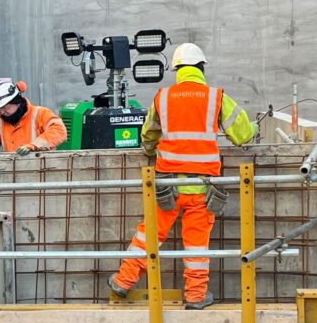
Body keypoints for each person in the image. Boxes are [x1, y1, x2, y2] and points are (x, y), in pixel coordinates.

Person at [108, 43, 256, 309]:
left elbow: (148, 135)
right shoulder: (216, 97)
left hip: (168, 186)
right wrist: (253, 128)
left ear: (176, 69)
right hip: (201, 188)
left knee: (148, 235)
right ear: (201, 67)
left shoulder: (163, 97)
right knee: (197, 246)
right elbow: (243, 135)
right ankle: (196, 296)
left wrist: (151, 149)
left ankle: (123, 280)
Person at [0, 78, 68, 154]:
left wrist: (34, 146)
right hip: (14, 171)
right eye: (0, 108)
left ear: (17, 102)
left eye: (6, 107)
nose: (2, 112)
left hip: (40, 171)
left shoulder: (40, 113)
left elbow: (59, 130)